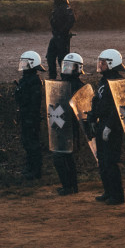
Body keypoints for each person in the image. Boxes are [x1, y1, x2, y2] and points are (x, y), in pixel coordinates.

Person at [89, 48, 125, 205]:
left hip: (113, 126)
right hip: (102, 123)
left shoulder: (117, 81)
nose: (100, 65)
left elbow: (118, 107)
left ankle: (117, 195)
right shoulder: (104, 81)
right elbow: (98, 101)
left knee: (111, 161)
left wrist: (110, 126)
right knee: (103, 160)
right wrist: (92, 118)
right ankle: (108, 191)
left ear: (112, 64)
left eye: (103, 63)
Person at [52, 53, 86, 195]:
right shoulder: (61, 84)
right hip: (61, 124)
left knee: (67, 158)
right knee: (60, 157)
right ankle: (68, 185)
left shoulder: (80, 86)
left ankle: (71, 186)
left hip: (71, 127)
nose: (66, 69)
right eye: (64, 66)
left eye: (70, 66)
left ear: (78, 68)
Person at [15, 50, 45, 180]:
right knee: (27, 142)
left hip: (31, 117)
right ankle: (30, 167)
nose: (23, 66)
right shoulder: (26, 80)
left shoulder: (34, 81)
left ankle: (35, 170)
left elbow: (33, 102)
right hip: (26, 115)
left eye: (25, 63)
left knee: (33, 143)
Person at [47, 0, 74, 81]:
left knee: (62, 59)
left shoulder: (66, 8)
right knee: (50, 56)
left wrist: (62, 32)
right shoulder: (57, 7)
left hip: (62, 38)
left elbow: (71, 21)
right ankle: (52, 77)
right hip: (55, 37)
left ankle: (65, 78)